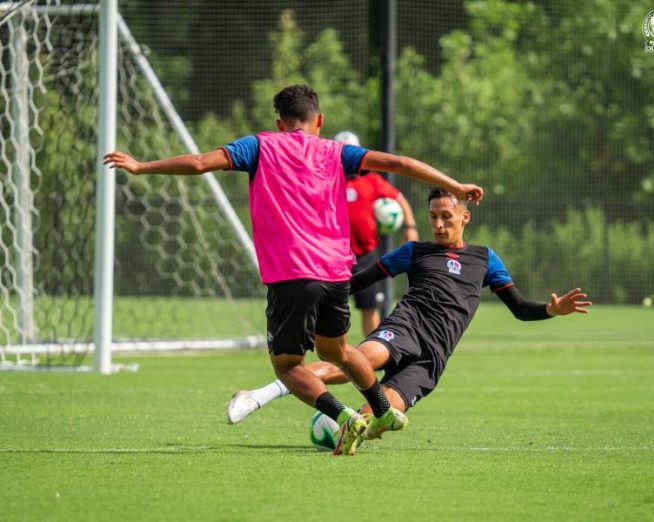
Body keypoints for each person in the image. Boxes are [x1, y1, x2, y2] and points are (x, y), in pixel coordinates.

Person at [103, 85, 484, 455]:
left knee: (288, 366)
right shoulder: (336, 151)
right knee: (338, 350)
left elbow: (201, 164)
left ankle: (344, 415)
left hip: (292, 274)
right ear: (319, 120)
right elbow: (398, 164)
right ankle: (383, 411)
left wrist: (141, 166)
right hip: (337, 273)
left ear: (280, 122)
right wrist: (454, 184)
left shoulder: (259, 145)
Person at [226, 186, 591, 438]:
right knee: (355, 360)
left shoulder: (484, 258)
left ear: (465, 217)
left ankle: (335, 432)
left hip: (433, 357)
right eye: (432, 216)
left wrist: (550, 309)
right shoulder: (414, 252)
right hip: (406, 327)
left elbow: (520, 309)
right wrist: (308, 293)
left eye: (446, 216)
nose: (438, 224)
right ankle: (259, 394)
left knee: (371, 423)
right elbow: (356, 281)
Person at [334, 131, 419, 337]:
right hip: (334, 260)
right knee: (335, 312)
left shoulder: (372, 180)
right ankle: (339, 359)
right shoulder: (327, 182)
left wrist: (410, 226)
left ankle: (372, 357)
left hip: (365, 257)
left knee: (370, 308)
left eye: (351, 152)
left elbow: (399, 198)